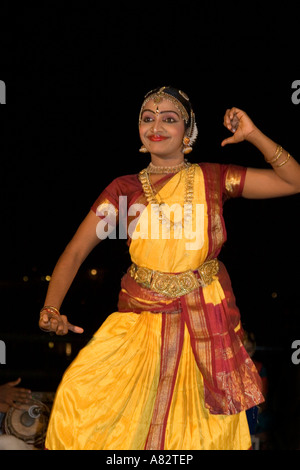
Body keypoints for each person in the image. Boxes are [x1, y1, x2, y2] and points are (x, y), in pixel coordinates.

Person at [39, 86, 300, 450]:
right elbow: (76, 251)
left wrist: (253, 134)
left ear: (188, 131)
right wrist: (51, 307)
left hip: (204, 331)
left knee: (198, 435)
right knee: (78, 401)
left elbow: (294, 180)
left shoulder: (214, 178)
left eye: (169, 119)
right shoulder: (123, 190)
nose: (156, 126)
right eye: (148, 118)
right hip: (138, 322)